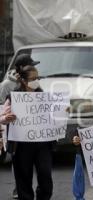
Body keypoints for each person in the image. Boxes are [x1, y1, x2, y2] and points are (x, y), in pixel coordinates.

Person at [0, 64, 54, 200]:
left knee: (45, 175)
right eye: (33, 78)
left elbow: (54, 116)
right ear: (24, 81)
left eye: (38, 78)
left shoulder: (44, 96)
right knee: (23, 177)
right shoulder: (13, 97)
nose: (37, 81)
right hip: (21, 145)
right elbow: (2, 118)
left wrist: (63, 112)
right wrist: (6, 118)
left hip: (42, 144)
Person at [0, 53, 40, 199]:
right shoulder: (6, 86)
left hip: (32, 131)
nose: (33, 68)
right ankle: (19, 187)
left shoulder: (35, 84)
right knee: (18, 161)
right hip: (13, 130)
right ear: (21, 68)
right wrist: (6, 119)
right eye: (30, 65)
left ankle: (24, 188)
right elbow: (2, 107)